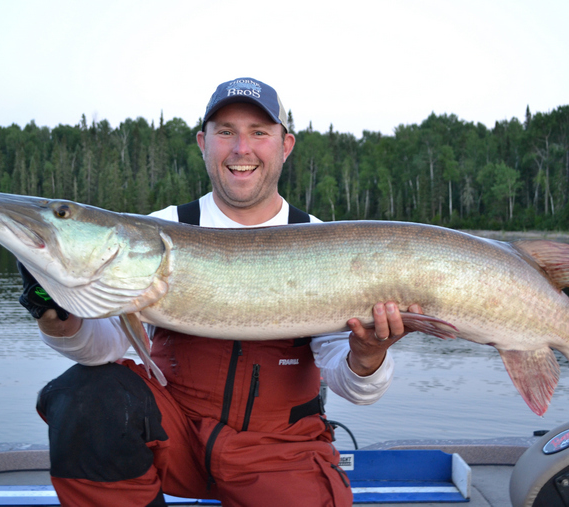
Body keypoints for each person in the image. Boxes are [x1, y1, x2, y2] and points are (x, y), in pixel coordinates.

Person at [21, 77, 422, 507]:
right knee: (87, 394)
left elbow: (358, 390)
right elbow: (101, 349)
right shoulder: (157, 229)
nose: (241, 148)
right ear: (203, 142)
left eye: (259, 132)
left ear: (285, 146)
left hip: (280, 452)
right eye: (225, 131)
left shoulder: (324, 242)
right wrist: (60, 323)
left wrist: (367, 356)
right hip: (177, 438)